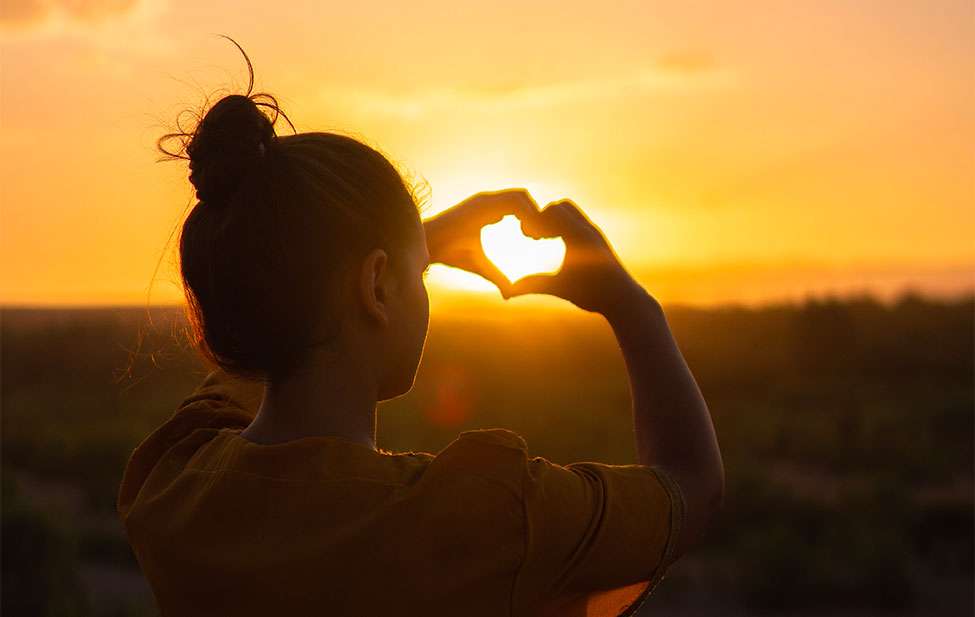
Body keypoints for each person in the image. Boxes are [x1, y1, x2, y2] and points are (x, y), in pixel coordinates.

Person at [116, 39, 724, 617]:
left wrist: (401, 249)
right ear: (377, 287)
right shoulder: (484, 515)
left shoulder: (173, 485)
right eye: (419, 276)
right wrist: (633, 306)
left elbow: (262, 345)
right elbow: (691, 487)